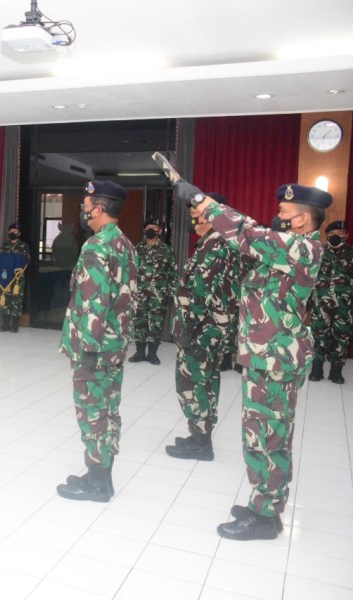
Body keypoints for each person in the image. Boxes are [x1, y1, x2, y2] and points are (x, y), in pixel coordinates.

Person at [174, 181, 330, 541]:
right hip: (265, 358)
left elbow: (246, 233)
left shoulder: (303, 249)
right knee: (259, 435)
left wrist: (202, 202)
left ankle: (266, 516)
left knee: (270, 438)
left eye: (284, 212)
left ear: (302, 219)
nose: (277, 216)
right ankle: (263, 503)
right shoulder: (284, 251)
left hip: (277, 361)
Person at [57, 180, 136, 503]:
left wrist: (88, 348)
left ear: (98, 209)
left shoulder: (96, 246)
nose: (83, 211)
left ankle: (98, 483)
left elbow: (94, 301)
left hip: (95, 347)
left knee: (92, 412)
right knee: (109, 409)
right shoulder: (125, 243)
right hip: (114, 344)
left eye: (86, 206)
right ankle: (100, 474)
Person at [165, 194, 238, 461]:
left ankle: (201, 443)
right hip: (208, 329)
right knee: (205, 381)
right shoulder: (214, 242)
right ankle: (199, 435)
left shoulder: (214, 246)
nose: (194, 217)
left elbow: (200, 294)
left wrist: (187, 329)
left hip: (201, 331)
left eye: (198, 212)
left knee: (193, 383)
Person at [309, 220, 353, 384]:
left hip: (345, 306)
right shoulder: (317, 252)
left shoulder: (351, 253)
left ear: (346, 235)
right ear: (326, 235)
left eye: (340, 234)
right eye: (332, 234)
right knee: (319, 335)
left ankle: (336, 370)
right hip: (320, 304)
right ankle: (317, 368)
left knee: (341, 337)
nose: (336, 236)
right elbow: (308, 277)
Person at [128, 218, 176, 365]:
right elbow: (129, 271)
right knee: (139, 323)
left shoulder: (166, 250)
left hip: (158, 295)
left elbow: (173, 273)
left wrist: (171, 293)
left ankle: (152, 354)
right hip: (139, 293)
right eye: (148, 227)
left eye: (154, 227)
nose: (151, 230)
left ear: (160, 231)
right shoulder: (136, 249)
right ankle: (140, 352)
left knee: (156, 324)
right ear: (144, 230)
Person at [0, 223, 31, 332]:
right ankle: (5, 325)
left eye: (15, 231)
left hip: (18, 279)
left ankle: (14, 325)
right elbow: (0, 260)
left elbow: (27, 261)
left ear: (19, 233)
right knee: (5, 300)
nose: (12, 233)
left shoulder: (23, 246)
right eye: (11, 231)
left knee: (16, 301)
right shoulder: (4, 246)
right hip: (5, 277)